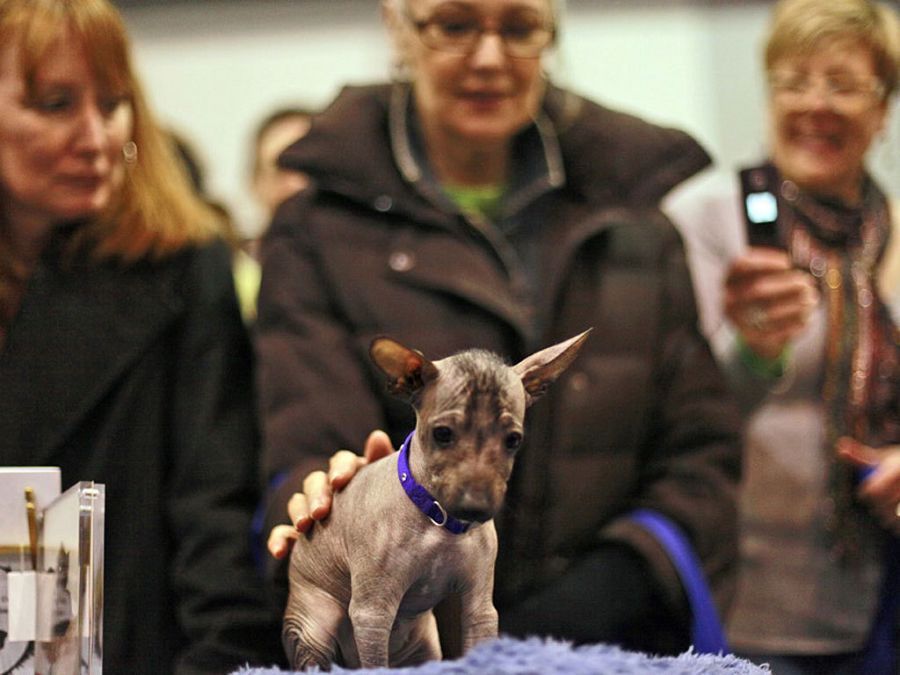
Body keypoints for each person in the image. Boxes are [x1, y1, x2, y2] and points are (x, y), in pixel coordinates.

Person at [256, 0, 743, 660]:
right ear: (400, 30)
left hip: (609, 646)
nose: (489, 58)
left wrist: (614, 584)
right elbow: (306, 442)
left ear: (551, 37)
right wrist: (327, 497)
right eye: (455, 25)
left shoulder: (636, 225)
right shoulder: (315, 229)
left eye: (518, 28)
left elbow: (700, 451)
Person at [0, 0, 284, 672]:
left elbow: (215, 521)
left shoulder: (184, 269)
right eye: (54, 103)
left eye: (115, 102)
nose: (96, 137)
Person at [665, 0, 900, 671]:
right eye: (794, 82)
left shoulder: (896, 237)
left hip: (880, 594)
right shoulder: (704, 219)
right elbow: (679, 421)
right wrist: (754, 352)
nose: (815, 104)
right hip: (742, 599)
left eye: (843, 85)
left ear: (883, 112)